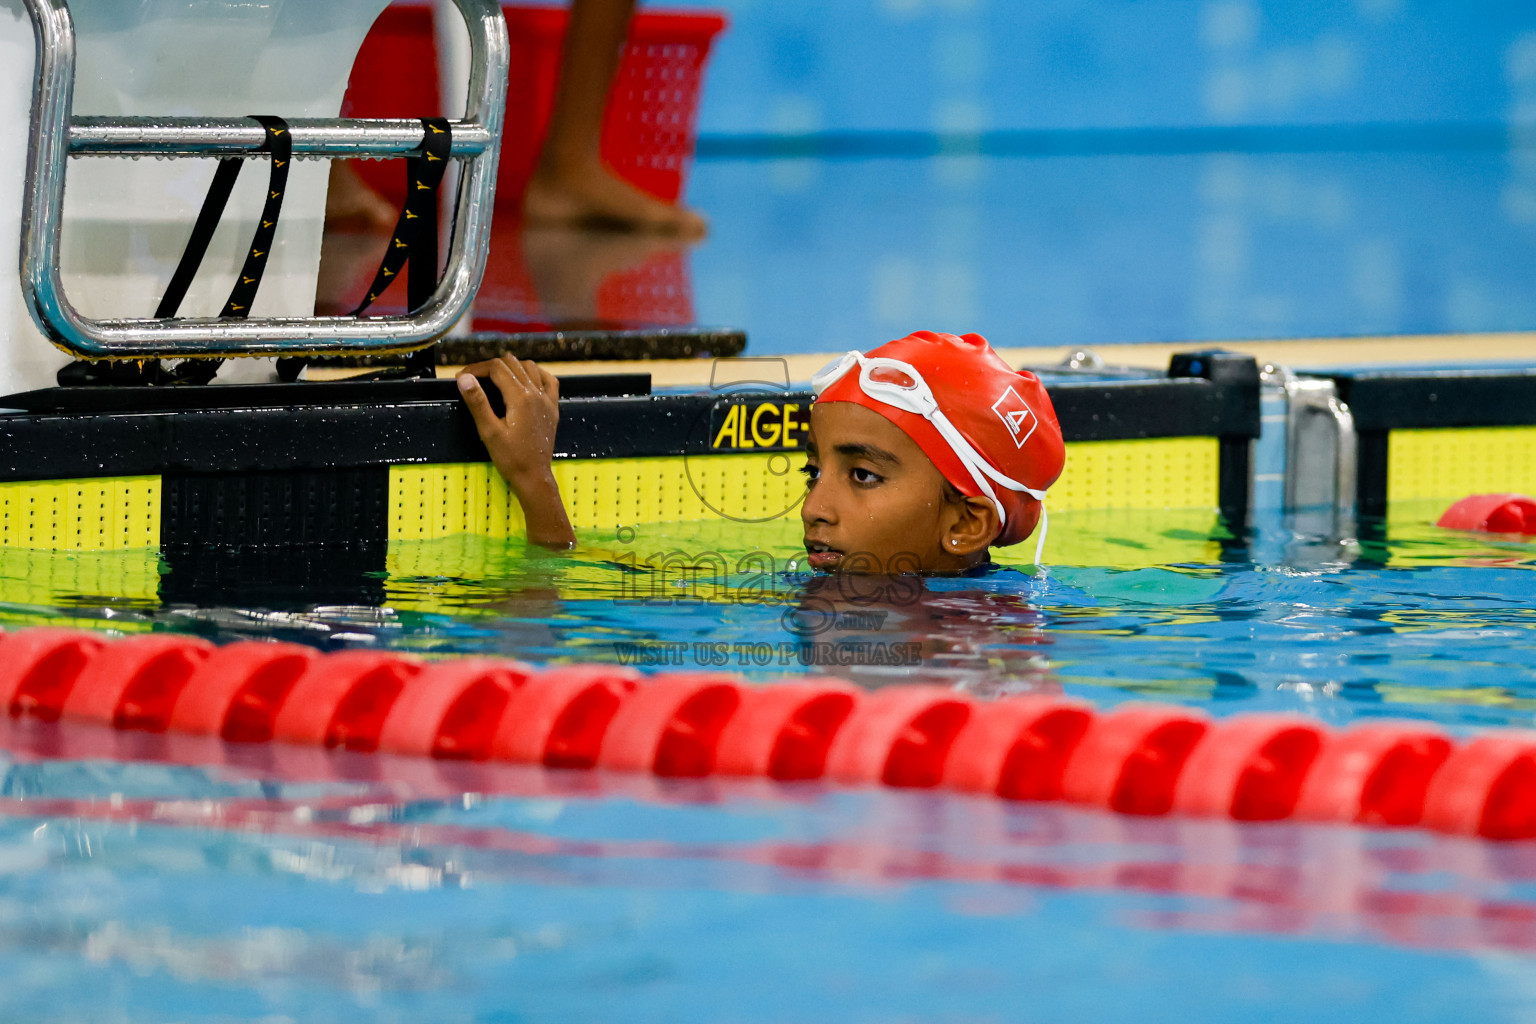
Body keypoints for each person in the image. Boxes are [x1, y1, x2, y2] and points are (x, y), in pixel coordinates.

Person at [457, 330, 1066, 572]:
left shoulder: (987, 649)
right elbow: (597, 575)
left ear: (964, 523)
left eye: (862, 476)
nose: (813, 509)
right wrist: (534, 477)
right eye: (813, 471)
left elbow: (550, 618)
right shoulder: (833, 593)